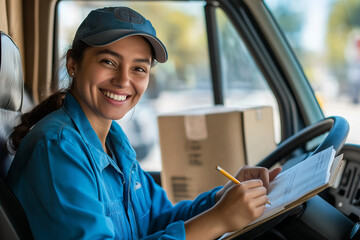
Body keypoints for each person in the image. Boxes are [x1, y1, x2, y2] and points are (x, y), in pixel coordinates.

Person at [6, 6, 281, 240]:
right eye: (108, 61)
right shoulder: (57, 149)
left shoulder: (114, 142)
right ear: (73, 64)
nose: (124, 80)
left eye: (139, 68)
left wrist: (222, 197)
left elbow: (160, 218)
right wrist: (219, 220)